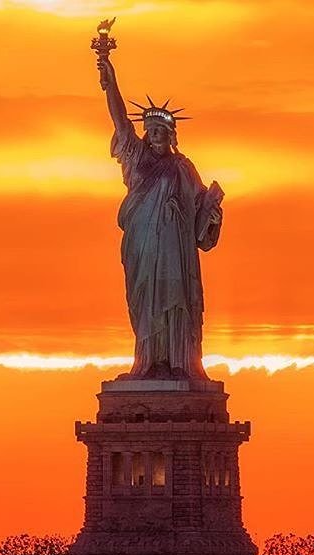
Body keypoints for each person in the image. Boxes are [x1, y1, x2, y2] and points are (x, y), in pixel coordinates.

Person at [98, 57, 223, 380]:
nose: (154, 135)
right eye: (150, 130)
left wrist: (212, 211)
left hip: (176, 252)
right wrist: (109, 76)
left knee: (177, 299)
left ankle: (180, 363)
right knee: (145, 301)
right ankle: (149, 363)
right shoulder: (135, 157)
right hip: (143, 246)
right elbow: (119, 119)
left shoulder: (183, 167)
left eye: (161, 130)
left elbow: (200, 218)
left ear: (171, 135)